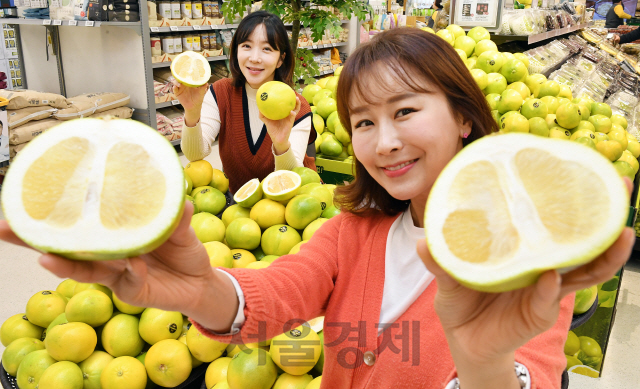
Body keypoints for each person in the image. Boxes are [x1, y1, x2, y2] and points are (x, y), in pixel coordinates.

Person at [0, 28, 634, 388]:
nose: (382, 142)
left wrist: (483, 362)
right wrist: (199, 290)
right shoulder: (353, 233)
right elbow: (276, 295)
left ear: (465, 116)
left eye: (406, 112)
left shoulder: (527, 252)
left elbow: (534, 370)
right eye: (362, 122)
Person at [176, 11, 317, 194]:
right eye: (247, 46)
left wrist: (281, 145)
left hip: (293, 208)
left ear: (281, 59)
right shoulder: (221, 92)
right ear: (236, 50)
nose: (254, 58)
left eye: (267, 49)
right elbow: (195, 154)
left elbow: (289, 182)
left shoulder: (296, 107)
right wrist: (192, 111)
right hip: (240, 206)